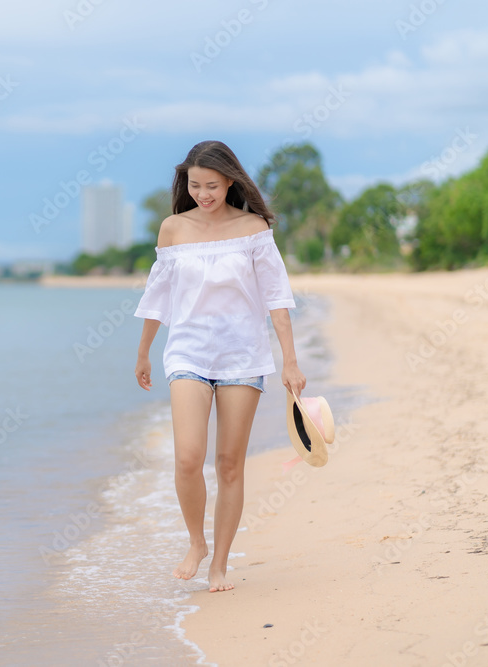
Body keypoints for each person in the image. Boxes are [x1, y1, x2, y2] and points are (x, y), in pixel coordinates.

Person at [133, 140, 306, 593]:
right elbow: (158, 296)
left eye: (211, 185)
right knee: (188, 458)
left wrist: (290, 362)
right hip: (187, 352)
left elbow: (277, 299)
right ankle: (196, 542)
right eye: (195, 185)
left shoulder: (253, 228)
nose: (203, 194)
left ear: (230, 181)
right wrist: (144, 350)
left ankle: (220, 565)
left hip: (243, 356)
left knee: (229, 464)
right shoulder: (173, 228)